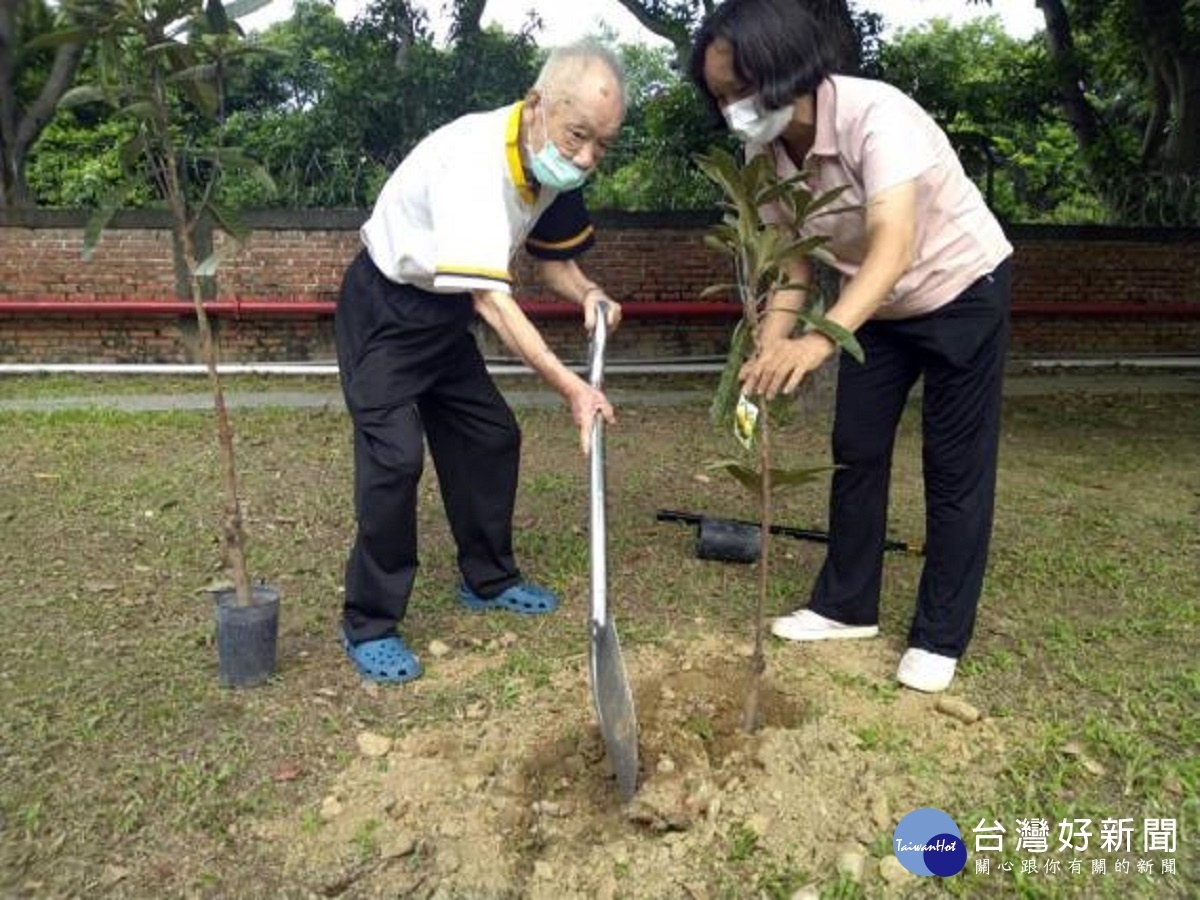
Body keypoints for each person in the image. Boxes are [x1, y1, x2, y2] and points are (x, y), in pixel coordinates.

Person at [690, 0, 1013, 693]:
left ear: (787, 69)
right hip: (875, 310)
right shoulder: (764, 150)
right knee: (856, 449)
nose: (733, 112)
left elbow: (891, 247)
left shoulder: (879, 117)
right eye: (720, 97)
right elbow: (796, 263)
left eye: (741, 90)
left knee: (954, 468)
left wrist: (816, 343)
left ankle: (939, 635)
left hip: (959, 289)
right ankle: (845, 605)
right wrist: (769, 345)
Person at [334, 39, 626, 684]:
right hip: (386, 312)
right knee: (394, 461)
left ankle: (488, 579)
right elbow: (492, 301)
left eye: (603, 143)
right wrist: (569, 387)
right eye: (579, 135)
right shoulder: (472, 159)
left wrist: (590, 293)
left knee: (489, 437)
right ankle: (369, 622)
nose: (586, 157)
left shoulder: (555, 167)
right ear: (537, 104)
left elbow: (555, 262)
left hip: (444, 320)